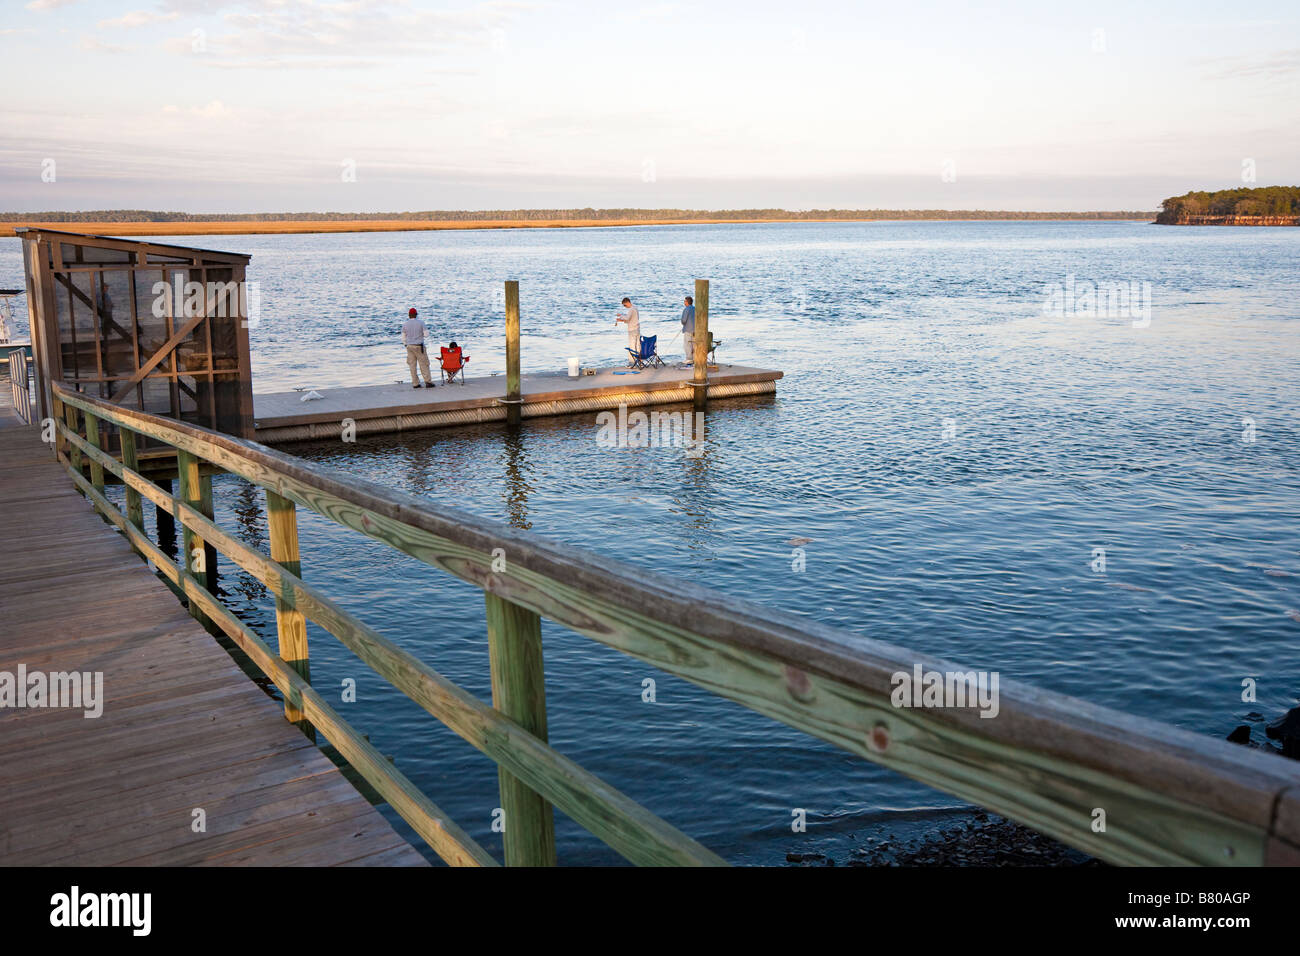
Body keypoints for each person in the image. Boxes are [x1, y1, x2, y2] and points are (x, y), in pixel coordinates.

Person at [402, 307, 434, 388]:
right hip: (419, 346)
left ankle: (415, 383)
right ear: (416, 315)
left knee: (412, 365)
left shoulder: (405, 324)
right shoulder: (421, 323)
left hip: (409, 347)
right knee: (424, 364)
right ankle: (428, 382)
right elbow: (426, 334)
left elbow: (403, 338)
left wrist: (406, 344)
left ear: (409, 315)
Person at [615, 296, 640, 365]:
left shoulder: (631, 309)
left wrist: (620, 315)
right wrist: (621, 320)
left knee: (632, 345)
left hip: (632, 330)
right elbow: (630, 319)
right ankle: (639, 361)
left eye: (624, 305)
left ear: (627, 302)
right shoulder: (635, 308)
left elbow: (627, 317)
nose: (625, 307)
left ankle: (632, 362)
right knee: (637, 345)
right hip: (637, 328)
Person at [680, 294, 695, 365]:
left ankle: (689, 359)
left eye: (684, 301)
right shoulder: (695, 308)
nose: (684, 302)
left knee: (687, 344)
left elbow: (683, 320)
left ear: (687, 302)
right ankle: (694, 358)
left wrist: (683, 323)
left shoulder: (686, 309)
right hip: (695, 330)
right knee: (694, 344)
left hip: (688, 330)